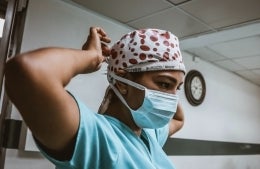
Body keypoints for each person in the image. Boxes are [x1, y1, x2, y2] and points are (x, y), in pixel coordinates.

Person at [5, 27, 185, 169]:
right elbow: (29, 71)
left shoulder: (148, 134)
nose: (173, 98)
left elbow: (178, 119)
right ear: (123, 84)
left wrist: (171, 82)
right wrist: (91, 57)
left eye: (178, 88)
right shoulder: (96, 137)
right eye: (164, 84)